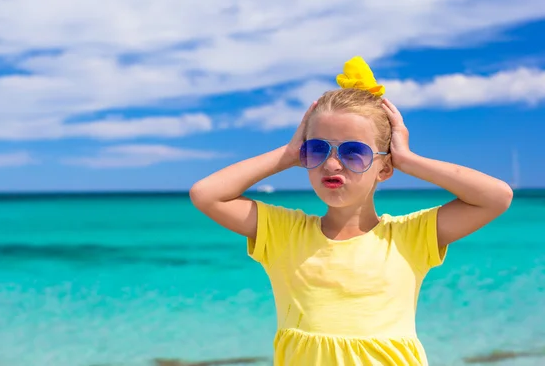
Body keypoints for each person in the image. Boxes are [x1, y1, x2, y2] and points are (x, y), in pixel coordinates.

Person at [189, 56, 513, 365]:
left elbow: (496, 197)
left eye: (353, 152)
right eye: (316, 149)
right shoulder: (283, 234)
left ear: (384, 168)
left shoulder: (409, 237)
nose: (332, 163)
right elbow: (206, 194)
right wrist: (289, 153)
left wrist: (409, 160)